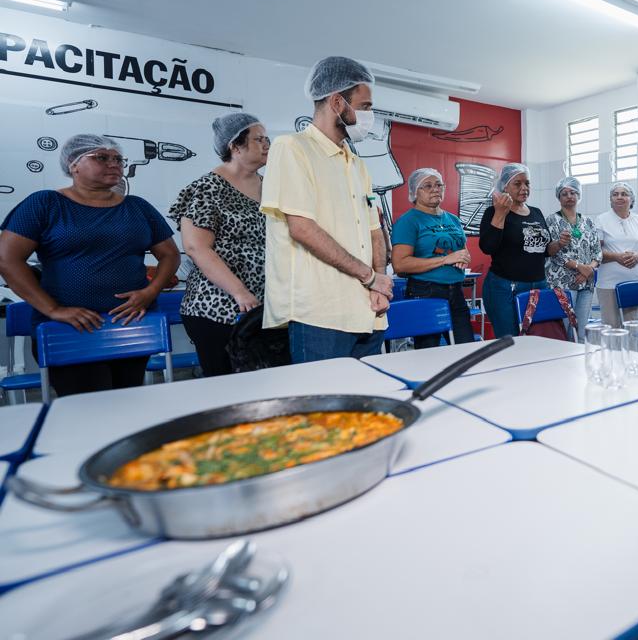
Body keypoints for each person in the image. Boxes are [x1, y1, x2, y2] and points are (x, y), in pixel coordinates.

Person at [0, 134, 180, 396]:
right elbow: (7, 259)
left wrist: (150, 293)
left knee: (129, 402)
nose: (114, 163)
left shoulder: (138, 207)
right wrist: (53, 309)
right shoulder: (45, 204)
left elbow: (170, 255)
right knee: (86, 410)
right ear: (73, 164)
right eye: (102, 157)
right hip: (71, 330)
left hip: (129, 327)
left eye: (118, 158)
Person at [260, 56, 393, 362]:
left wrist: (380, 283)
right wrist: (369, 277)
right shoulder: (292, 148)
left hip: (369, 310)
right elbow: (302, 228)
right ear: (336, 102)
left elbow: (374, 229)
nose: (369, 115)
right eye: (365, 106)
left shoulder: (357, 164)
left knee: (364, 403)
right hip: (320, 313)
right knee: (322, 405)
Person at [168, 113, 269, 377]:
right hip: (218, 309)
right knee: (228, 387)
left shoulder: (270, 186)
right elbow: (196, 247)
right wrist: (239, 292)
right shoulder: (207, 188)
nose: (267, 144)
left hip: (263, 309)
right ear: (234, 146)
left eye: (267, 138)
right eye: (259, 139)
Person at [479, 163, 568, 337]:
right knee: (509, 339)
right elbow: (487, 247)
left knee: (539, 338)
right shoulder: (493, 211)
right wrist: (500, 213)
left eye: (527, 183)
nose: (524, 188)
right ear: (505, 186)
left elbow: (544, 250)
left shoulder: (536, 212)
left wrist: (559, 244)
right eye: (517, 184)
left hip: (538, 285)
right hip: (504, 287)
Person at [390, 167, 475, 348]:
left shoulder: (453, 219)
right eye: (427, 186)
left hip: (456, 291)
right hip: (425, 291)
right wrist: (445, 260)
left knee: (466, 349)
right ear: (414, 192)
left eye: (438, 185)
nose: (435, 189)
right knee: (429, 355)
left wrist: (462, 257)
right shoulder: (409, 221)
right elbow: (400, 264)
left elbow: (461, 250)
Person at [544, 176, 601, 340]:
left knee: (581, 331)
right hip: (563, 283)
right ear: (558, 197)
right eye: (564, 193)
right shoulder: (552, 220)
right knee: (565, 328)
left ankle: (579, 364)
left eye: (573, 192)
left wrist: (588, 268)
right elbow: (553, 252)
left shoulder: (588, 222)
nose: (569, 196)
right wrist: (578, 266)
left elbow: (597, 250)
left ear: (579, 195)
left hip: (587, 282)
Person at [596, 181, 638, 328]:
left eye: (624, 194)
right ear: (611, 200)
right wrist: (617, 257)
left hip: (634, 282)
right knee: (612, 331)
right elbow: (595, 252)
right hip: (609, 284)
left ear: (631, 199)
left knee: (633, 330)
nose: (619, 197)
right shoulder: (601, 220)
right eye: (615, 194)